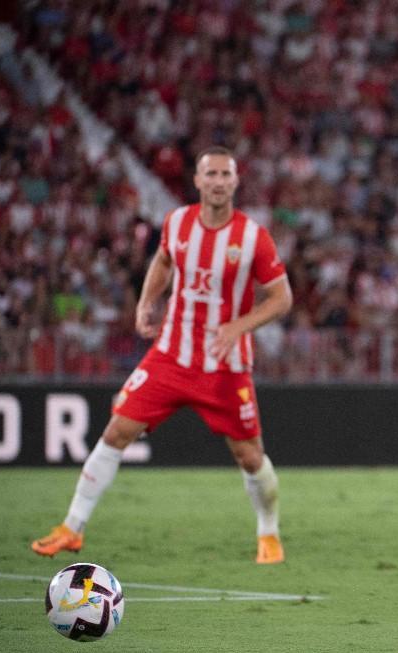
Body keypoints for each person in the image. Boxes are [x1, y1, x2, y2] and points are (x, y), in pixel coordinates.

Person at [31, 146, 293, 564]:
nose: (219, 181)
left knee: (249, 456)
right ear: (198, 180)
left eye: (226, 174)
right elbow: (163, 260)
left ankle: (269, 532)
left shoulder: (252, 237)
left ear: (236, 181)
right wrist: (145, 302)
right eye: (212, 174)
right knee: (117, 431)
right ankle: (72, 527)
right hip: (170, 356)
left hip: (225, 366)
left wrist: (237, 327)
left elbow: (282, 299)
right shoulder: (177, 222)